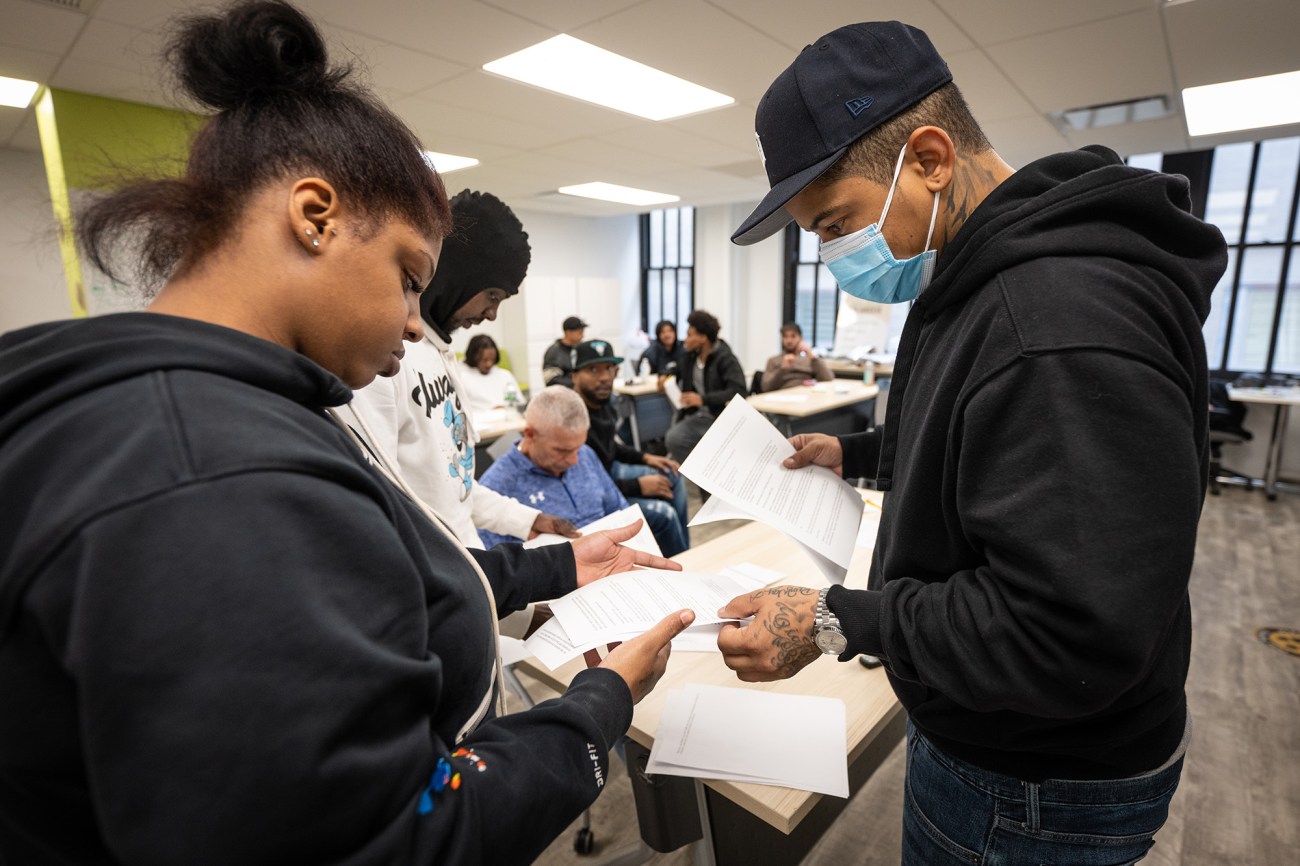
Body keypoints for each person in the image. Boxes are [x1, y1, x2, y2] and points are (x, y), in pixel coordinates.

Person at [0, 3, 695, 863]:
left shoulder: (207, 404)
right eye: (409, 278)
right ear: (315, 215)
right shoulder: (213, 478)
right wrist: (592, 709)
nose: (415, 324)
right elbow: (391, 843)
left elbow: (386, 572)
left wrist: (556, 562)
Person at [717, 21, 1225, 865]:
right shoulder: (991, 275)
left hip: (1035, 781)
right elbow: (1004, 444)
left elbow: (1066, 635)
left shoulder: (1054, 321)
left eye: (833, 222)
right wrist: (867, 452)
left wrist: (834, 619)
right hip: (1019, 746)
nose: (832, 252)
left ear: (928, 159)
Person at [348, 190, 577, 606]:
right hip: (432, 592)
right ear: (460, 274)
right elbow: (386, 514)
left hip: (470, 577)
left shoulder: (440, 351)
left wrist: (528, 520)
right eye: (491, 296)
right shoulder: (386, 359)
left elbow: (455, 486)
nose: (491, 315)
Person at [478, 387, 641, 548]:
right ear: (530, 434)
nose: (574, 460)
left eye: (578, 448)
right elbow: (499, 562)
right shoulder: (495, 487)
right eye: (562, 450)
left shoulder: (585, 454)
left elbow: (619, 509)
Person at [570, 339, 690, 556]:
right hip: (597, 495)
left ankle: (687, 553)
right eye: (593, 370)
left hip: (609, 474)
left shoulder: (604, 404)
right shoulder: (572, 421)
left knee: (673, 474)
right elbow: (587, 491)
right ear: (575, 376)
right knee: (665, 515)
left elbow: (610, 449)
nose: (605, 377)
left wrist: (646, 458)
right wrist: (638, 485)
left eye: (609, 368)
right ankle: (678, 565)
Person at [663, 309, 748, 462]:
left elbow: (739, 391)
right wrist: (665, 375)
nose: (685, 340)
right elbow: (676, 368)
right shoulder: (691, 356)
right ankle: (703, 474)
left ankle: (707, 475)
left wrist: (703, 399)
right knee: (674, 439)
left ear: (703, 338)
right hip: (697, 416)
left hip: (719, 417)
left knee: (679, 439)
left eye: (689, 335)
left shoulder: (725, 358)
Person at [460, 333, 525, 416]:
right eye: (485, 360)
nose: (489, 364)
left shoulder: (505, 376)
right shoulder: (462, 378)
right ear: (473, 357)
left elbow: (518, 403)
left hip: (509, 423)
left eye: (492, 359)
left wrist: (506, 409)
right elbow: (462, 414)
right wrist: (492, 413)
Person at [760, 321, 833, 392]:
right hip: (783, 396)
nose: (789, 340)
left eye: (793, 336)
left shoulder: (809, 360)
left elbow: (828, 379)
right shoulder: (773, 360)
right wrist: (782, 369)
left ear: (800, 338)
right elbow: (766, 387)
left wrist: (812, 357)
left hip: (807, 395)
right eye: (785, 336)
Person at [542, 315, 586, 387]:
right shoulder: (554, 352)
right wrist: (578, 384)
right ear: (568, 332)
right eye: (579, 333)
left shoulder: (581, 348)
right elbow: (551, 380)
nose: (583, 336)